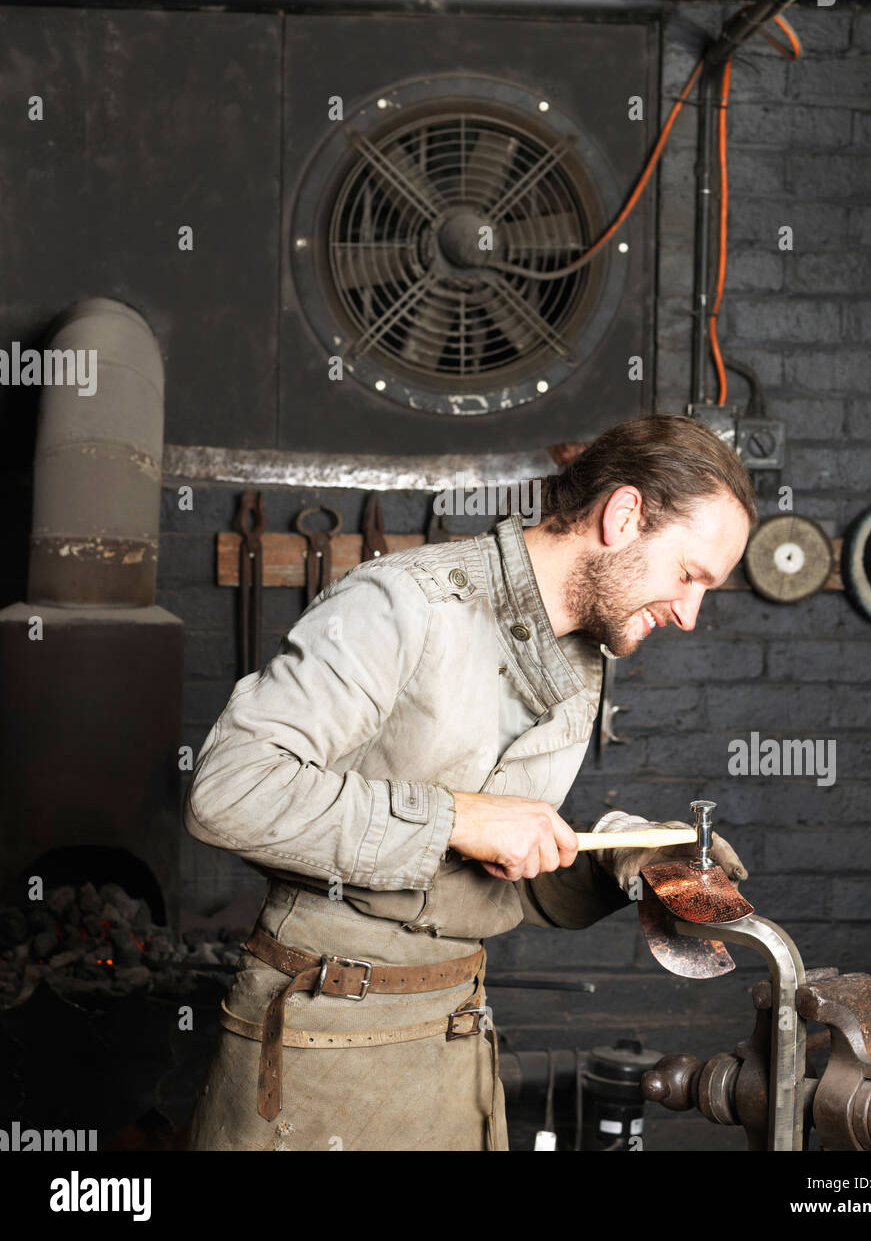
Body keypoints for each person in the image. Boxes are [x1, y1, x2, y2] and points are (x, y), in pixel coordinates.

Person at [184, 412, 757, 1151]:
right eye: (688, 575)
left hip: (455, 1039)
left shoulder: (582, 659)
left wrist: (624, 864)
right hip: (317, 1043)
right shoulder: (400, 605)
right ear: (622, 516)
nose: (688, 614)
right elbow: (229, 789)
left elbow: (482, 883)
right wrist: (453, 818)